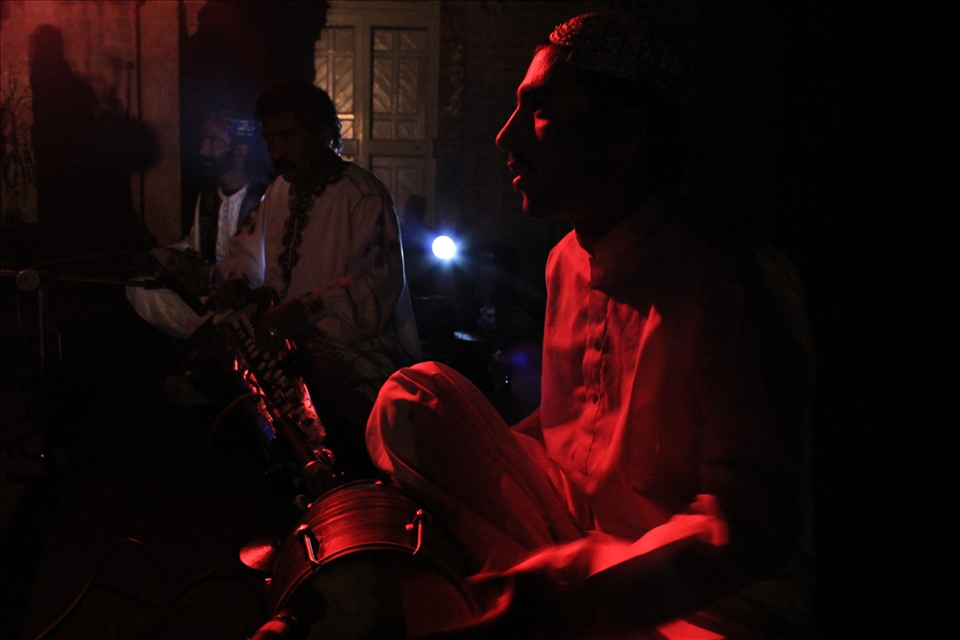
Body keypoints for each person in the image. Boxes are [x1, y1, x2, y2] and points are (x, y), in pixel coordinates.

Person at [366, 13, 815, 639]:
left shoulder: (727, 281)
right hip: (582, 541)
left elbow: (750, 528)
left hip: (707, 600)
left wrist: (584, 594)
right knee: (411, 399)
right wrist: (473, 454)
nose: (505, 137)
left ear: (625, 133)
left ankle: (540, 609)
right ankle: (530, 602)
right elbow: (563, 433)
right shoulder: (563, 263)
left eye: (540, 110)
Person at [212, 80, 421, 476]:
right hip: (290, 343)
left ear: (324, 136)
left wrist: (302, 311)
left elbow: (375, 284)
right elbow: (246, 251)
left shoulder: (362, 194)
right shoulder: (279, 191)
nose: (277, 150)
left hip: (361, 353)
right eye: (270, 138)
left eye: (288, 136)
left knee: (327, 413)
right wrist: (238, 281)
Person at [127, 110, 267, 338]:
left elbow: (259, 269)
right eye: (203, 140)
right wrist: (162, 255)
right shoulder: (209, 195)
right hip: (209, 292)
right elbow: (195, 244)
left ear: (241, 150)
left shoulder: (262, 197)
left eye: (214, 142)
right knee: (140, 288)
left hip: (244, 295)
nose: (203, 150)